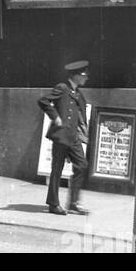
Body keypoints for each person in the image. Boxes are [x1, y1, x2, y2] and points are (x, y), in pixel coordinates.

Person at [37, 59, 91, 216]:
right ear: (75, 76)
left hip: (73, 138)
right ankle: (53, 204)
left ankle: (73, 203)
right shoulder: (62, 88)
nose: (85, 78)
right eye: (83, 75)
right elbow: (43, 101)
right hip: (61, 136)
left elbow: (81, 118)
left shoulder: (79, 94)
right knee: (57, 170)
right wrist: (55, 117)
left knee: (82, 165)